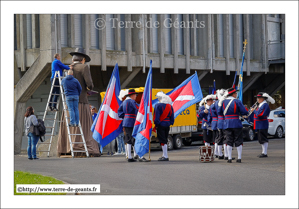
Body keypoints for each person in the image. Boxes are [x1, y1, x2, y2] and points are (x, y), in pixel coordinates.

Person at [57, 48, 100, 157]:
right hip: (81, 101)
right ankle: (82, 148)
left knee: (69, 123)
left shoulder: (69, 68)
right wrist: (89, 88)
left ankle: (66, 148)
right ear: (83, 59)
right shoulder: (84, 67)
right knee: (83, 125)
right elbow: (89, 84)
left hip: (67, 101)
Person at [218, 87, 248, 163]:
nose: (236, 94)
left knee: (229, 140)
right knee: (238, 140)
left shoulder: (223, 102)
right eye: (236, 93)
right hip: (236, 123)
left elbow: (219, 112)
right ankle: (239, 158)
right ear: (233, 94)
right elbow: (244, 111)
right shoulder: (237, 101)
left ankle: (229, 158)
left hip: (227, 123)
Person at [118, 89, 139, 162]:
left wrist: (125, 116)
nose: (136, 96)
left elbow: (119, 111)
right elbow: (138, 108)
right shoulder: (132, 101)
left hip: (126, 121)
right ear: (132, 95)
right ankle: (135, 155)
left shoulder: (124, 102)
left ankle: (129, 156)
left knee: (128, 138)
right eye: (135, 95)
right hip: (132, 121)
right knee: (133, 138)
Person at [251, 92, 274, 158]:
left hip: (262, 124)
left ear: (262, 98)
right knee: (260, 138)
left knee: (263, 138)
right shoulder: (261, 105)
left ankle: (265, 152)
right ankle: (263, 152)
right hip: (259, 124)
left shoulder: (265, 105)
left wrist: (254, 110)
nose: (257, 99)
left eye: (258, 98)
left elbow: (261, 114)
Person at [154, 92, 174, 161]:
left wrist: (156, 124)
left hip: (161, 124)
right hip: (167, 124)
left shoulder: (158, 106)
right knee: (165, 138)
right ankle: (164, 154)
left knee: (162, 140)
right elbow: (172, 116)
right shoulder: (169, 106)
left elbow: (156, 117)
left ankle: (165, 155)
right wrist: (170, 123)